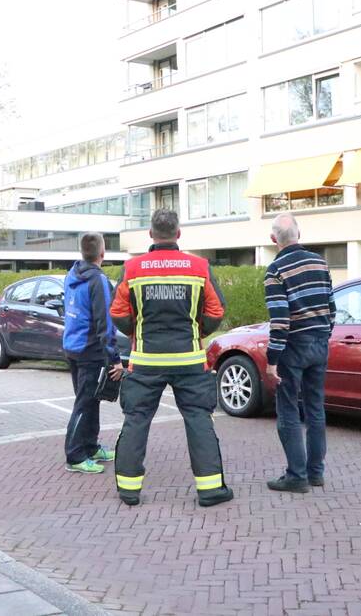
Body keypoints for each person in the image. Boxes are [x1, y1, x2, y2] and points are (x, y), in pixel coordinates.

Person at [109, 209, 233, 507]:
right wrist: (197, 330)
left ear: (150, 234)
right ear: (178, 233)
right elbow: (216, 310)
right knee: (198, 419)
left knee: (136, 420)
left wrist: (136, 332)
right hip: (189, 360)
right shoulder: (199, 266)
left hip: (146, 360)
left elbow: (118, 312)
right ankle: (210, 490)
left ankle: (129, 490)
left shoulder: (132, 268)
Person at [263, 213, 335, 493]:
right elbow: (331, 307)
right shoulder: (320, 263)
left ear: (274, 239)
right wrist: (324, 335)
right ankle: (316, 473)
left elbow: (280, 320)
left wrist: (272, 360)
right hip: (319, 343)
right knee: (316, 408)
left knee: (288, 409)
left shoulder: (276, 270)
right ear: (299, 234)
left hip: (293, 347)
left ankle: (296, 476)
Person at [62, 233, 123, 474]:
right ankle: (75, 455)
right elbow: (105, 324)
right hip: (90, 351)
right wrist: (114, 358)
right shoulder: (98, 281)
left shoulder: (72, 274)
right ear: (103, 253)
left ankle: (90, 446)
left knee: (90, 400)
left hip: (72, 346)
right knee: (85, 403)